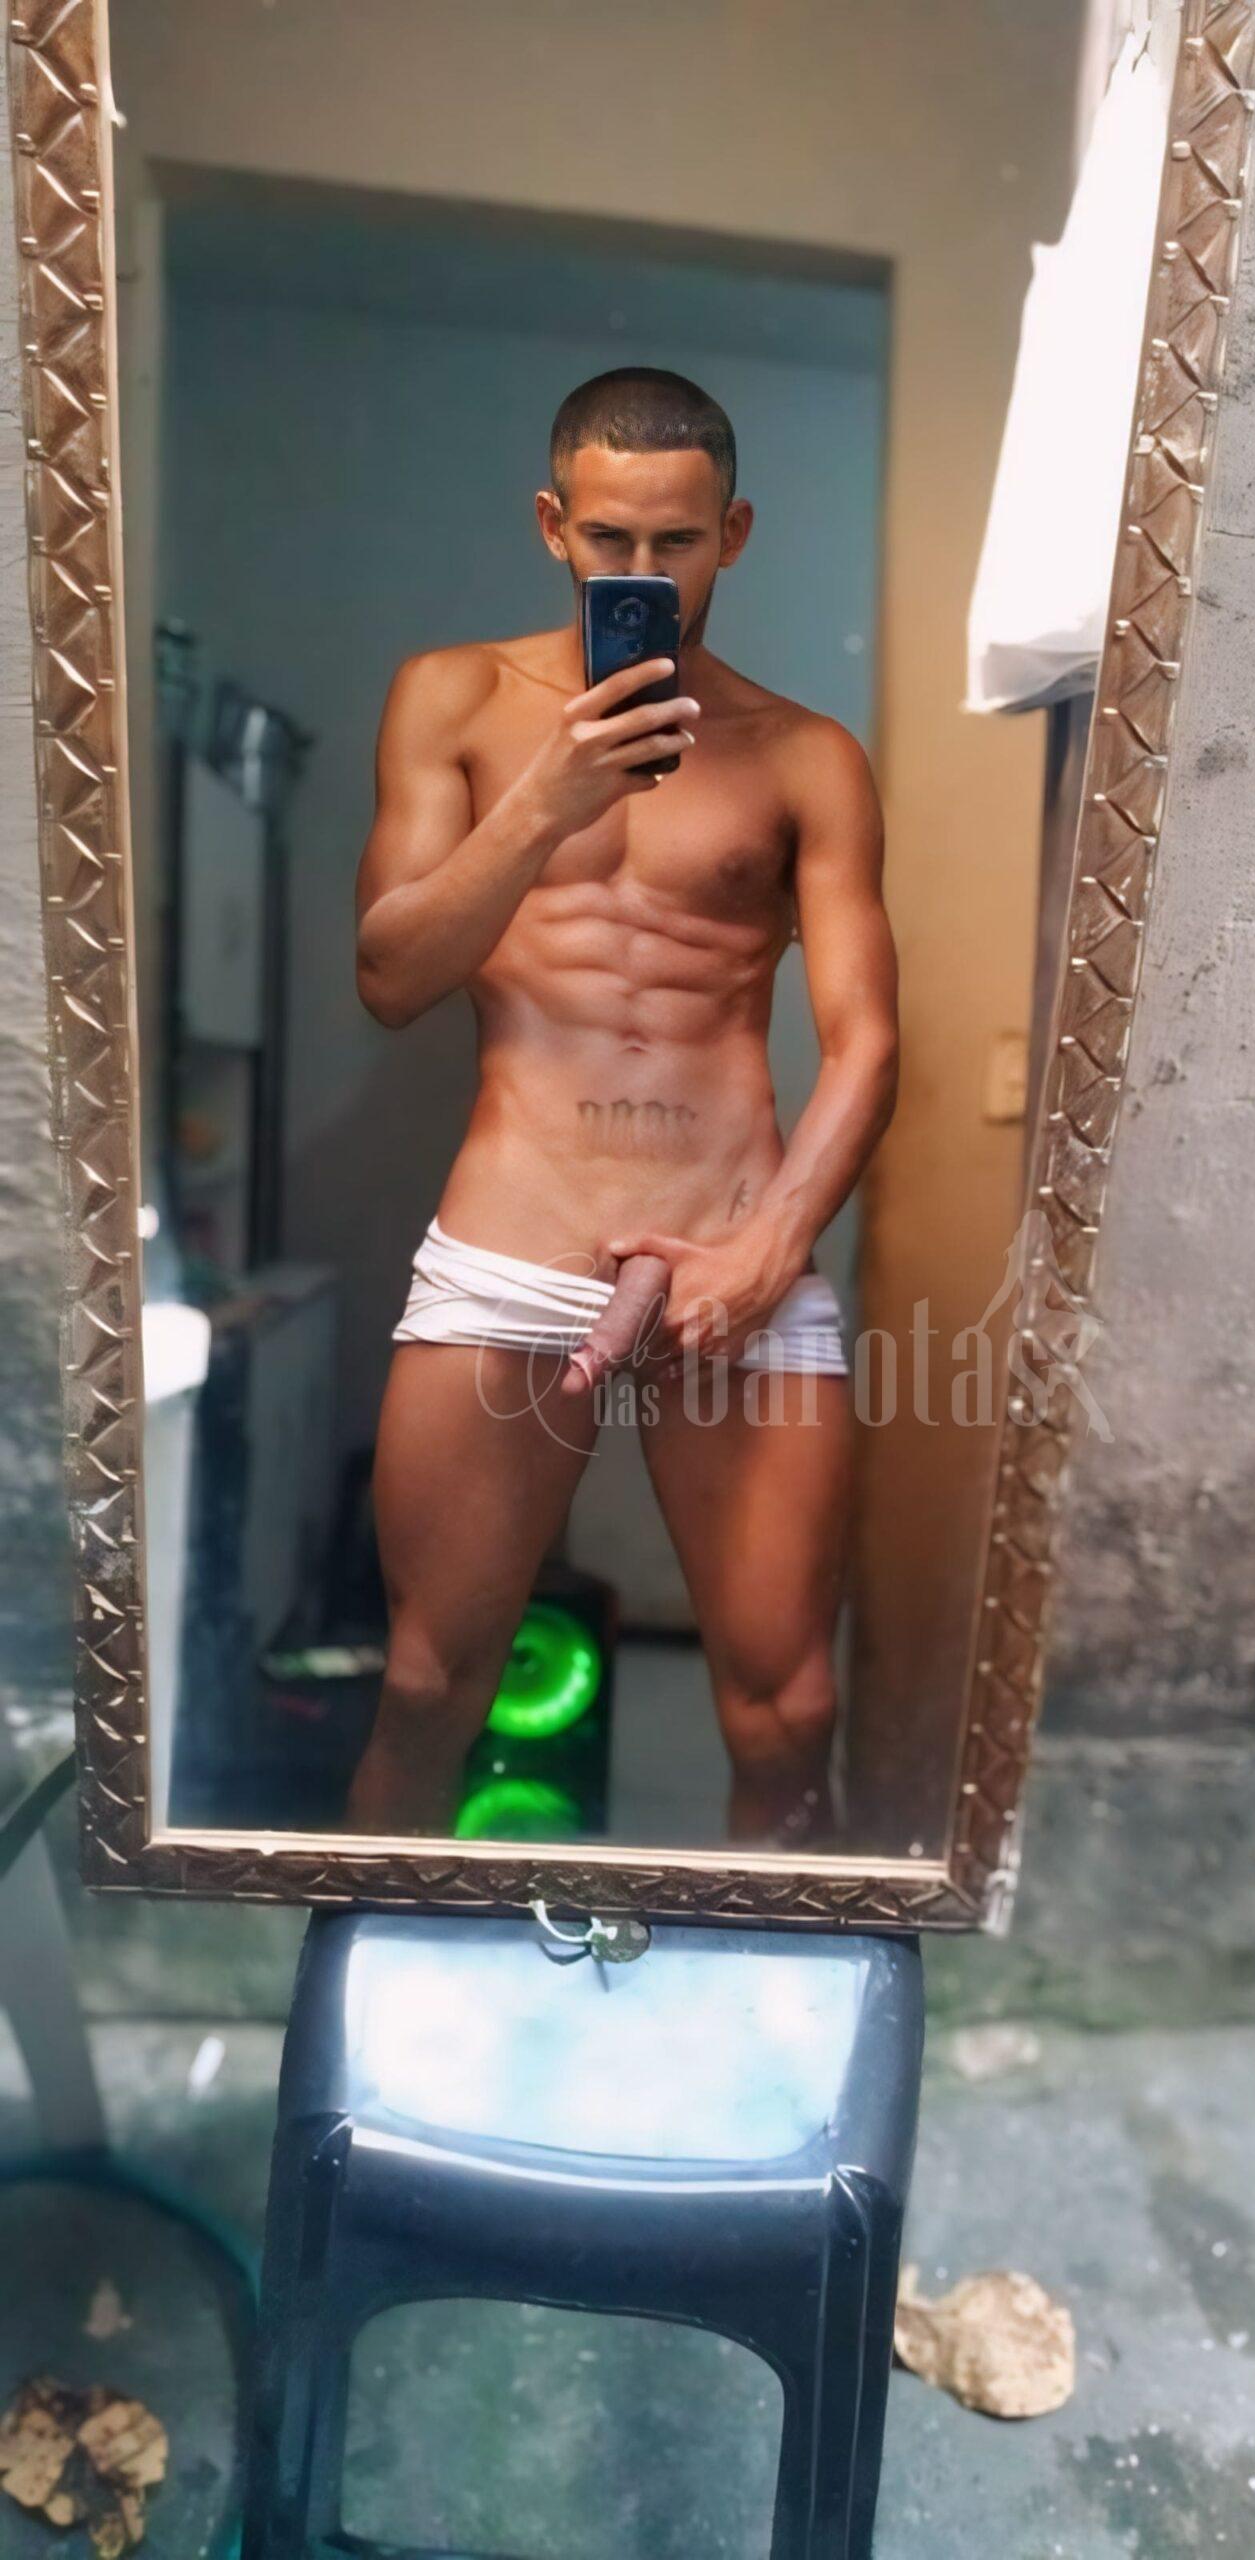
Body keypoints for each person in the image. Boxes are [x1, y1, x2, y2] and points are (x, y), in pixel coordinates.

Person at [344, 366, 898, 1843]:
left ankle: (761, 1991)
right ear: (552, 524)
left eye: (677, 542)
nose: (641, 570)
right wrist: (549, 798)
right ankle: (376, 1965)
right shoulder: (456, 700)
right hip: (517, 1240)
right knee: (427, 1690)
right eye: (609, 539)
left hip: (735, 1248)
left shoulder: (807, 756)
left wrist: (771, 1248)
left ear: (736, 535)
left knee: (792, 1715)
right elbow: (390, 978)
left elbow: (867, 1044)